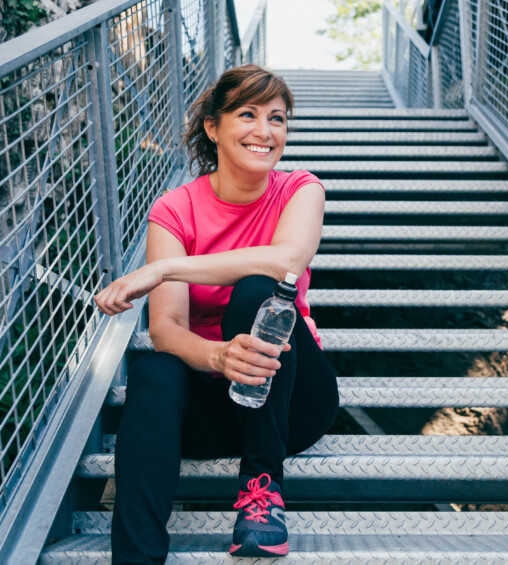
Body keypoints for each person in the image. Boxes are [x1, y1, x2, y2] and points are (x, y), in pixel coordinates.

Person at [93, 64, 339, 564]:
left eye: (278, 119)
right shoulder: (174, 209)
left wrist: (165, 268)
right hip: (212, 403)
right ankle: (136, 557)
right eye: (248, 115)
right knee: (153, 371)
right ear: (213, 126)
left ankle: (261, 495)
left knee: (258, 292)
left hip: (291, 400)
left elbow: (288, 261)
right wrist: (220, 356)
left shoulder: (301, 189)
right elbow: (164, 330)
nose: (265, 132)